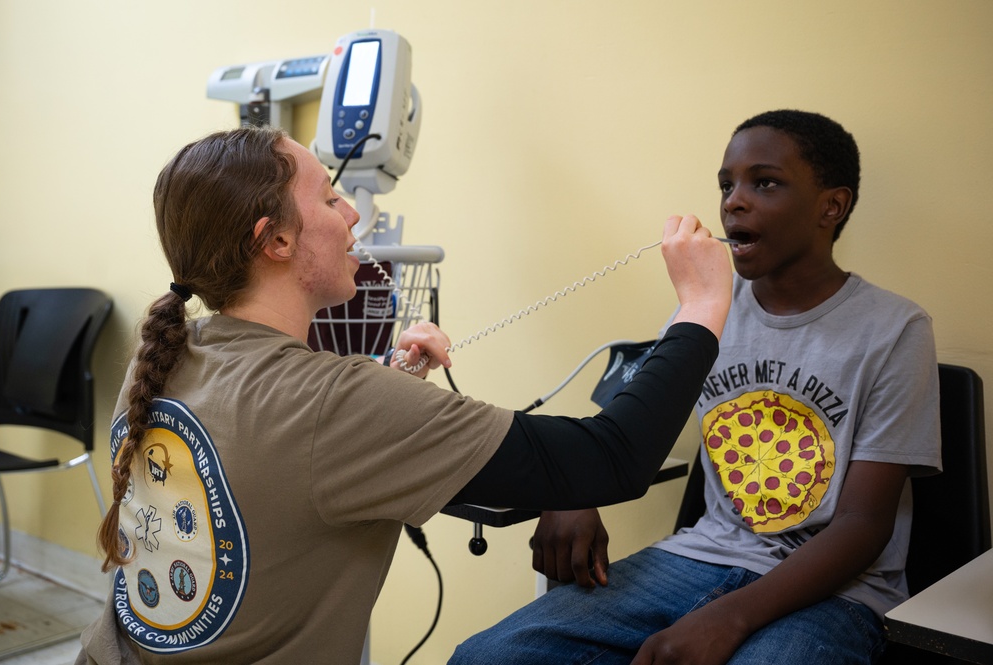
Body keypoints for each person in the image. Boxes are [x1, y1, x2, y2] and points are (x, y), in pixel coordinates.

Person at [76, 124, 733, 665]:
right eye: (330, 198)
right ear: (275, 240)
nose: (352, 210)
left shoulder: (161, 354)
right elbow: (612, 456)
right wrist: (702, 305)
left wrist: (394, 378)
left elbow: (286, 444)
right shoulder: (337, 403)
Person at [449, 110, 941, 665]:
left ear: (832, 205)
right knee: (490, 655)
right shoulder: (708, 308)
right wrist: (576, 491)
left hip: (836, 590)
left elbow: (862, 526)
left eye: (765, 182)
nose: (733, 200)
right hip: (699, 558)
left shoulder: (895, 329)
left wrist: (726, 617)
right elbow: (615, 435)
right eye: (726, 185)